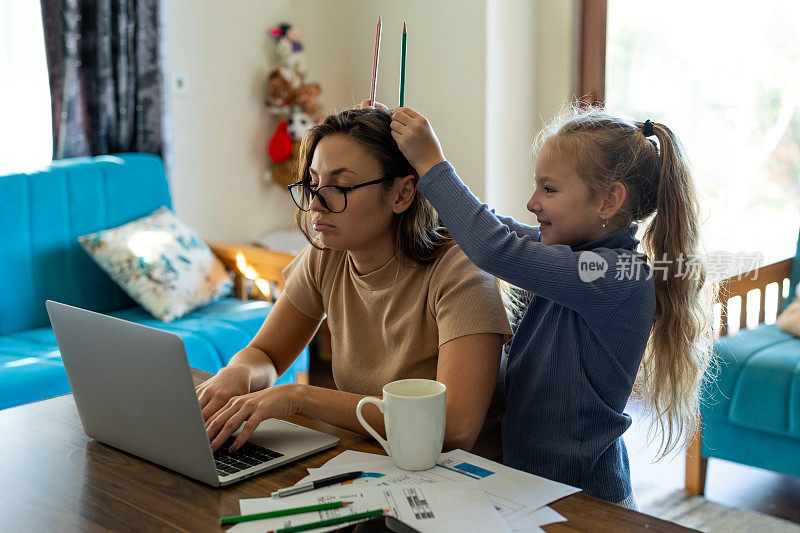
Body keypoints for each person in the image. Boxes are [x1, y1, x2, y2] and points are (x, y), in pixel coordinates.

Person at [378, 101, 714, 509]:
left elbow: (494, 247)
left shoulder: (616, 274)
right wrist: (409, 169)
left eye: (549, 189)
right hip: (535, 490)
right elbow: (494, 227)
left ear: (610, 201)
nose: (532, 202)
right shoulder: (574, 254)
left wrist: (433, 164)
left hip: (587, 503)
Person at [198, 108, 512, 459]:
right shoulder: (327, 255)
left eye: (341, 187)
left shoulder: (461, 274)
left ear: (402, 194)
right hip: (371, 460)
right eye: (313, 183)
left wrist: (298, 396)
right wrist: (238, 372)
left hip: (460, 482)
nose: (316, 203)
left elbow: (453, 428)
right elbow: (265, 354)